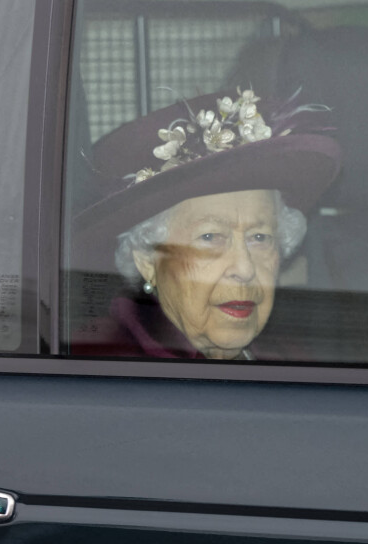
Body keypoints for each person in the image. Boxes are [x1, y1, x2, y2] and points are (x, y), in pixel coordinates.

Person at [71, 88, 341, 360]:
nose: (245, 269)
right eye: (210, 237)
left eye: (260, 238)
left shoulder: (290, 361)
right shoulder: (98, 366)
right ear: (146, 261)